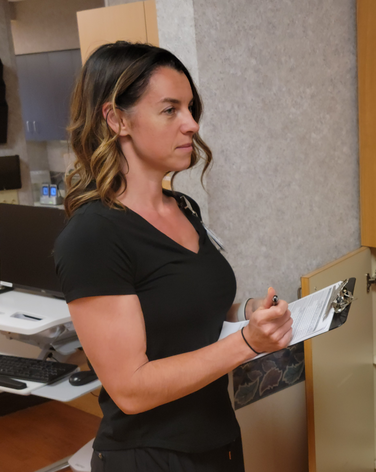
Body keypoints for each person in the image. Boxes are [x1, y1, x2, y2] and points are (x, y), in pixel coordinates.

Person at [54, 42, 293, 472]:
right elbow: (130, 388)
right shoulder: (93, 235)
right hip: (149, 457)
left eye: (190, 108)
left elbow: (189, 311)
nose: (192, 124)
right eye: (170, 110)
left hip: (218, 440)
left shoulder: (182, 208)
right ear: (116, 119)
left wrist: (249, 314)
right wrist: (246, 344)